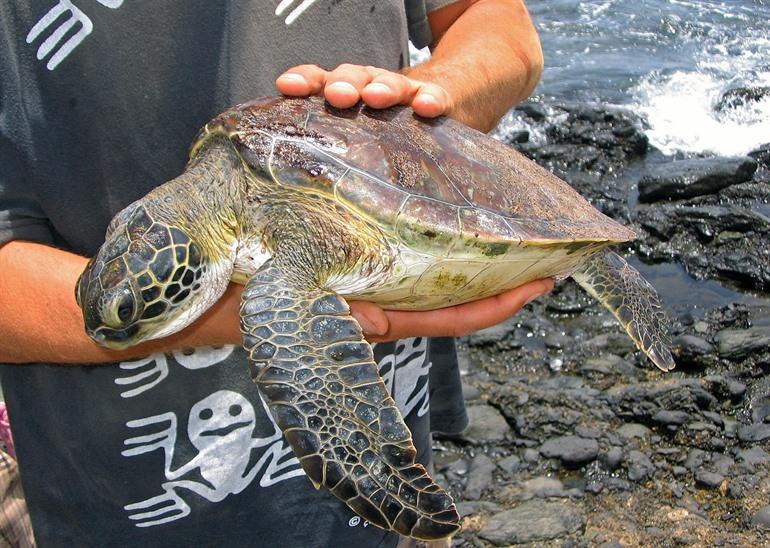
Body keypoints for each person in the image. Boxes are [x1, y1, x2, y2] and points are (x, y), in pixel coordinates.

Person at [0, 1, 544, 546]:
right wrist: (258, 305)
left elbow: (495, 22)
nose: (113, 328)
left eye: (128, 314)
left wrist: (424, 104)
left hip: (380, 505)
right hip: (119, 510)